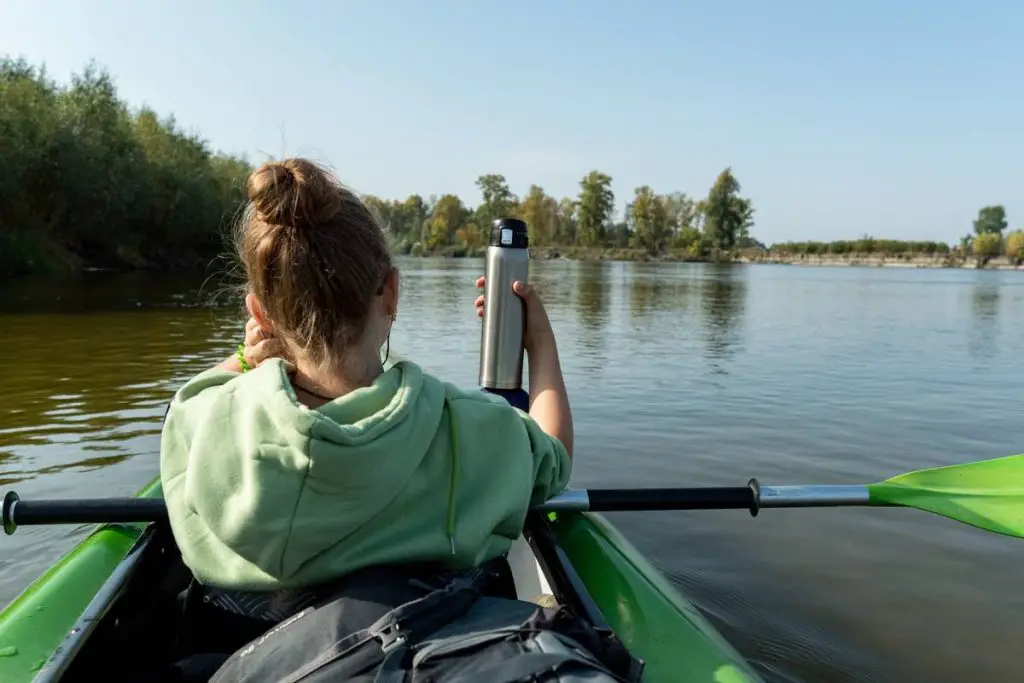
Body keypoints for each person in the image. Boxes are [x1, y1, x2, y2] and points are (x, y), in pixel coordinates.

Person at [159, 157, 574, 592]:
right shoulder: (472, 428)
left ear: (260, 313)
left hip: (254, 653)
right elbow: (554, 456)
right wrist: (540, 343)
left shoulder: (207, 421)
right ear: (391, 292)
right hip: (424, 649)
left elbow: (188, 402)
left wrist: (245, 360)